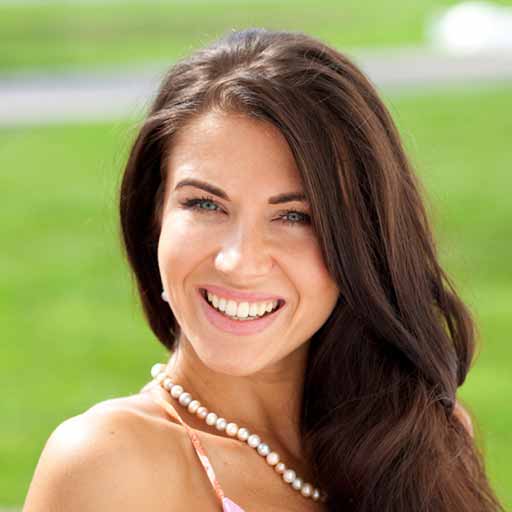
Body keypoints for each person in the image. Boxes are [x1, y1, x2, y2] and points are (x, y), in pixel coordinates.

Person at [23, 28, 503, 511]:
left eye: (294, 216)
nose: (238, 261)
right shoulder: (109, 464)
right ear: (155, 218)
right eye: (205, 204)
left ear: (361, 240)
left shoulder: (420, 440)